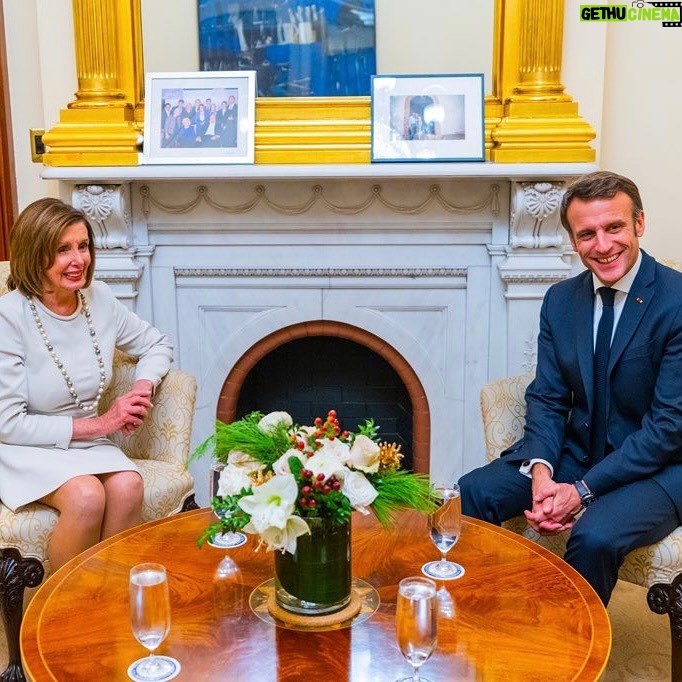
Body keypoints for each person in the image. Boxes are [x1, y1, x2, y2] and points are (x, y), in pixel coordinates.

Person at [459, 171, 682, 605]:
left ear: (639, 223)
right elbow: (547, 397)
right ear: (573, 241)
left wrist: (580, 493)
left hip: (661, 467)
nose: (602, 245)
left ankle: (571, 658)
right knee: (473, 491)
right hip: (576, 454)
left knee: (594, 535)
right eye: (587, 234)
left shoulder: (677, 302)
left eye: (614, 227)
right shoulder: (561, 301)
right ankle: (475, 622)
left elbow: (668, 428)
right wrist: (541, 472)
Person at [0, 198, 174, 571]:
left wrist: (140, 390)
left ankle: (105, 605)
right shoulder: (9, 316)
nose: (78, 260)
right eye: (63, 250)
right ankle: (59, 618)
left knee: (128, 486)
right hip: (22, 446)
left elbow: (156, 344)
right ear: (34, 255)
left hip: (85, 441)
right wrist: (103, 424)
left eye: (83, 246)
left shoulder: (100, 298)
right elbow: (9, 424)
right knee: (86, 496)